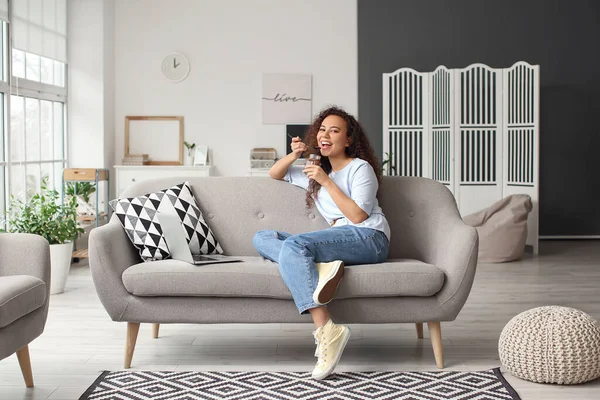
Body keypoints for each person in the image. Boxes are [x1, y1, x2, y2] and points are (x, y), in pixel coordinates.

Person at [252, 106, 391, 380]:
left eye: (334, 130)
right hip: (342, 238)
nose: (325, 134)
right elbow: (275, 174)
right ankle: (318, 268)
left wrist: (326, 181)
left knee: (295, 247)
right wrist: (295, 154)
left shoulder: (359, 169)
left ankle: (327, 329)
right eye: (322, 129)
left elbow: (358, 215)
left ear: (349, 140)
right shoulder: (314, 170)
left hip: (369, 237)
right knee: (262, 237)